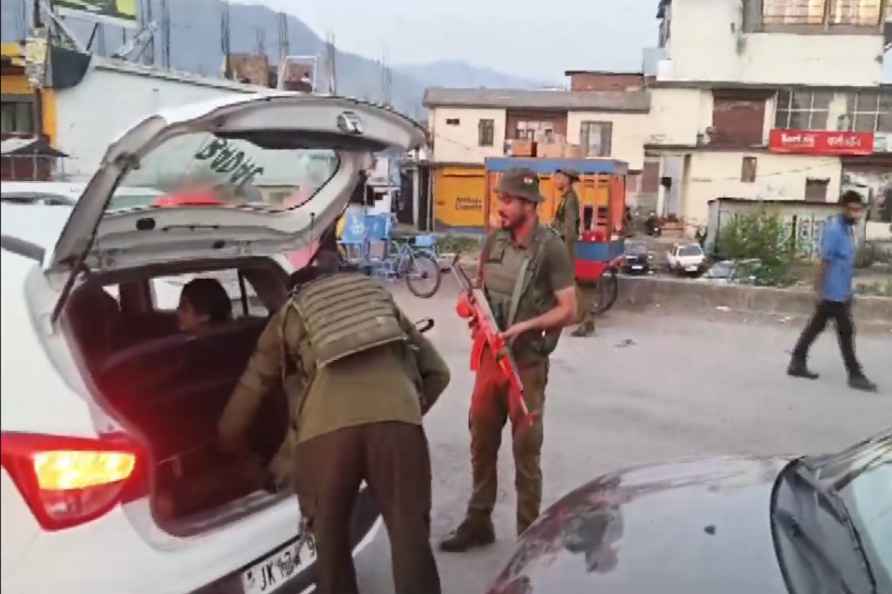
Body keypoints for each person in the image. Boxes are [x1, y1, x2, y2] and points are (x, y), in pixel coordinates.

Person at [217, 250, 451, 594]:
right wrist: (402, 414)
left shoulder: (288, 315)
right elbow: (439, 373)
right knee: (410, 541)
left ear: (297, 292)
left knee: (331, 549)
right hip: (399, 424)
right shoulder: (375, 299)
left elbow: (247, 397)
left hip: (324, 437)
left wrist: (230, 448)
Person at [440, 168, 577, 552]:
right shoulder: (494, 242)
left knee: (525, 452)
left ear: (529, 205)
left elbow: (570, 309)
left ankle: (529, 539)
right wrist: (470, 307)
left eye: (507, 200)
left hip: (526, 366)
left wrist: (525, 327)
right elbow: (481, 289)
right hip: (489, 359)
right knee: (481, 442)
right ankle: (478, 520)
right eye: (500, 199)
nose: (500, 207)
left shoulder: (550, 248)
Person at [788, 191, 877, 392]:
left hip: (840, 292)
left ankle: (796, 362)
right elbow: (825, 261)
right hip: (831, 293)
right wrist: (818, 290)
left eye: (859, 210)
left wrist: (848, 292)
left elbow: (844, 265)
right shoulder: (835, 230)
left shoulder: (847, 230)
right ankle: (855, 374)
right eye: (853, 209)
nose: (857, 214)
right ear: (843, 208)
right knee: (846, 331)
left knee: (816, 327)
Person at [551, 168, 593, 338]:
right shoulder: (567, 197)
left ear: (567, 180)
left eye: (559, 178)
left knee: (570, 285)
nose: (555, 180)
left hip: (565, 245)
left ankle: (586, 320)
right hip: (561, 244)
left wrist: (564, 249)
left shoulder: (570, 199)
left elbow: (570, 229)